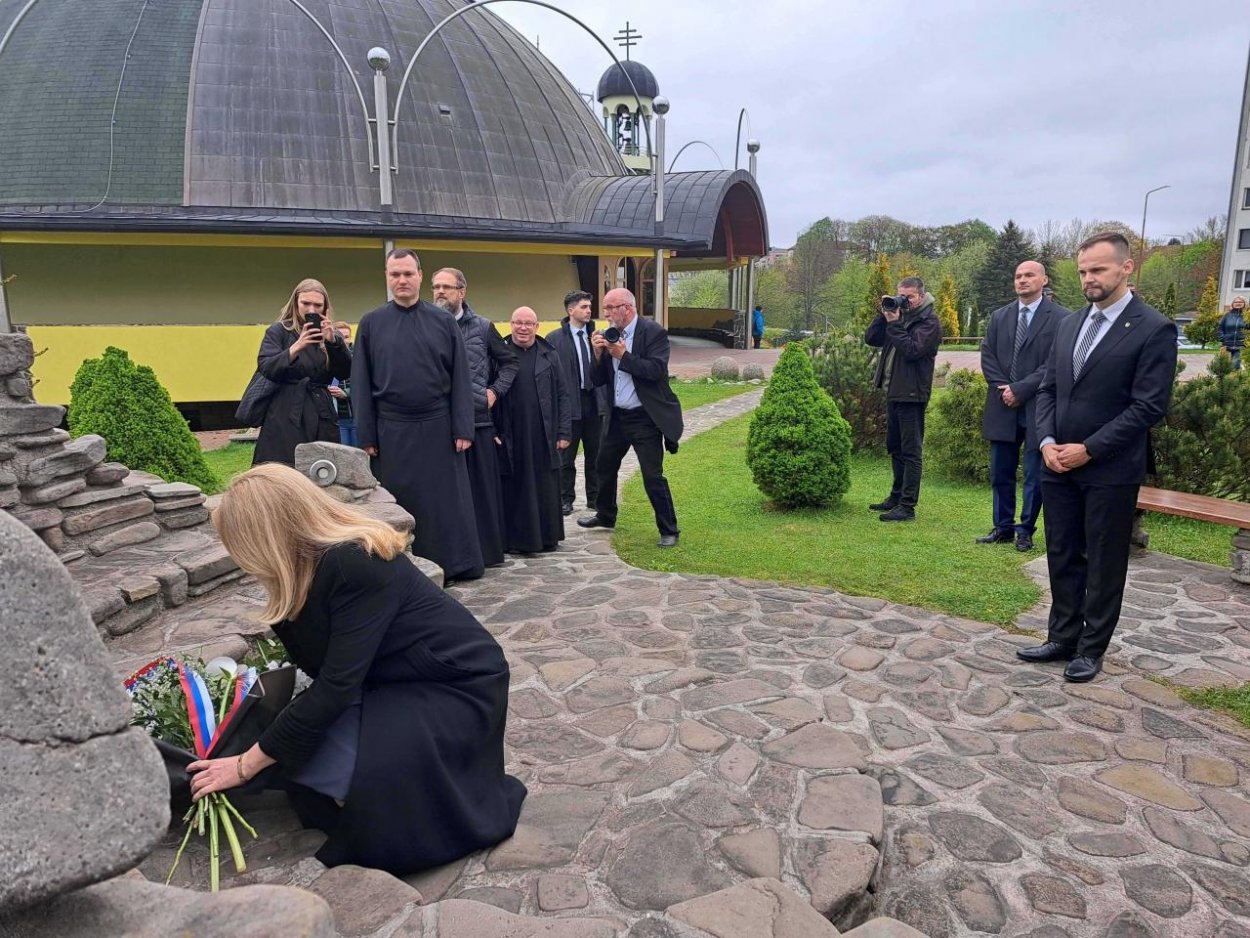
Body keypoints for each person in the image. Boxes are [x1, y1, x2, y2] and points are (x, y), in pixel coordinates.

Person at [187, 464, 526, 874]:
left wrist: (243, 766)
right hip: (393, 681)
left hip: (454, 687)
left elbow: (333, 689)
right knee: (299, 756)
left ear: (266, 538)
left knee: (355, 779)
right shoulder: (304, 572)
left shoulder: (355, 563)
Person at [1017, 231, 1178, 683]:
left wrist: (1089, 449)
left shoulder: (1153, 327)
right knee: (1063, 551)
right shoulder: (1069, 323)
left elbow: (1148, 406)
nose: (1089, 278)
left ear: (1126, 268)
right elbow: (1047, 386)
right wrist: (1047, 441)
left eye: (1098, 270)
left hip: (1109, 467)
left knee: (1104, 559)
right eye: (1083, 271)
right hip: (1057, 462)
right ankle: (1062, 636)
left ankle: (1091, 648)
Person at [350, 249, 484, 582]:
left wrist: (463, 427)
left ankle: (449, 565)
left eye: (408, 274)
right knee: (398, 500)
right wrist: (366, 435)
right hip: (391, 429)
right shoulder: (370, 323)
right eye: (395, 274)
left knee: (443, 503)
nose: (402, 280)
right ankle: (401, 568)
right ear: (387, 276)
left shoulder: (442, 321)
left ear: (420, 276)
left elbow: (461, 380)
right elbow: (361, 383)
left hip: (439, 426)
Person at [577, 288, 684, 547]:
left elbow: (656, 371)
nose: (605, 313)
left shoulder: (653, 332)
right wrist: (600, 354)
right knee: (603, 465)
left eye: (610, 308)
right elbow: (597, 379)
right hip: (617, 417)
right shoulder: (608, 334)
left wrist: (623, 355)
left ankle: (669, 530)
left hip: (645, 417)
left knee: (652, 475)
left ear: (626, 308)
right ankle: (605, 515)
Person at [977, 261, 1071, 552]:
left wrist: (1021, 389)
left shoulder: (1061, 319)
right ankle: (1002, 527)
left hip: (1038, 406)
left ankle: (1025, 531)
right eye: (1018, 276)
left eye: (1029, 275)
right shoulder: (1000, 316)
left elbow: (1055, 363)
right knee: (1000, 472)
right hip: (1002, 404)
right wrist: (1004, 389)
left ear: (1044, 279)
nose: (1022, 280)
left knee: (1034, 475)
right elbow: (988, 355)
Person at [432, 267, 517, 568]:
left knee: (480, 492)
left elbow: (510, 363)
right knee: (447, 494)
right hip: (439, 423)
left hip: (478, 420)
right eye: (436, 287)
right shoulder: (427, 326)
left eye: (447, 287)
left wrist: (494, 392)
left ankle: (486, 553)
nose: (440, 292)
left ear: (462, 292)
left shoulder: (482, 327)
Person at [863, 276, 942, 522]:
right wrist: (884, 312)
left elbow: (912, 350)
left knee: (911, 451)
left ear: (921, 295)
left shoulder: (929, 322)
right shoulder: (900, 316)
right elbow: (871, 339)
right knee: (895, 447)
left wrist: (895, 324)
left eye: (909, 297)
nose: (904, 301)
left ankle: (907, 506)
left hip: (912, 394)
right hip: (894, 391)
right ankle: (896, 497)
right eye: (901, 295)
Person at [253, 279, 352, 467]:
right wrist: (297, 346)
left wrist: (332, 342)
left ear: (325, 308)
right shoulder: (279, 331)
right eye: (306, 303)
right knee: (283, 470)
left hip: (321, 410)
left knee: (323, 470)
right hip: (285, 410)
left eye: (318, 305)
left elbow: (345, 372)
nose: (311, 310)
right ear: (295, 303)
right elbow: (266, 367)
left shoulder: (332, 335)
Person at [495, 307, 571, 553]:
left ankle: (546, 538)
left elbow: (562, 394)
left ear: (537, 327)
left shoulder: (549, 354)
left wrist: (563, 432)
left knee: (543, 485)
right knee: (513, 486)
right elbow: (487, 391)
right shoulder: (499, 353)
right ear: (511, 324)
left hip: (543, 432)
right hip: (510, 432)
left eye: (529, 323)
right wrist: (492, 429)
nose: (523, 328)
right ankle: (516, 541)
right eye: (518, 322)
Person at [546, 290, 608, 515]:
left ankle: (594, 498)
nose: (589, 310)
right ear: (570, 310)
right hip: (569, 404)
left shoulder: (599, 336)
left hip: (594, 401)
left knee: (596, 454)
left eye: (589, 306)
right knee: (566, 457)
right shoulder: (554, 339)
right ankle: (565, 498)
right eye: (583, 307)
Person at [328, 321, 357, 447]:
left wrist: (346, 393)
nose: (344, 341)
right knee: (342, 454)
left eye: (346, 337)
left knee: (359, 456)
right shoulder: (327, 356)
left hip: (357, 418)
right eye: (340, 337)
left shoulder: (360, 357)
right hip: (338, 419)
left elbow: (366, 385)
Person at [1218, 295, 1246, 369]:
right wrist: (1222, 338)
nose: (1238, 303)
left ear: (1244, 303)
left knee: (1235, 366)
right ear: (1233, 304)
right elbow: (1220, 328)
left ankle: (1236, 379)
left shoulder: (1246, 316)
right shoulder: (1227, 315)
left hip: (1241, 346)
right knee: (1224, 367)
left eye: (1240, 301)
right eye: (1236, 301)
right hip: (1227, 345)